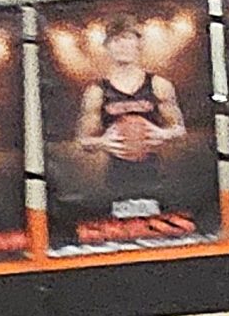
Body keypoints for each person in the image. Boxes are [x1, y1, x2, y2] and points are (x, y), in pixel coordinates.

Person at [74, 17, 186, 206]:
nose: (123, 46)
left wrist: (163, 134)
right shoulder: (97, 91)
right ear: (107, 47)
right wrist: (102, 142)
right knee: (123, 229)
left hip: (152, 173)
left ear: (138, 43)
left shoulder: (158, 85)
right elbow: (83, 140)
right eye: (116, 40)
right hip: (118, 176)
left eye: (128, 39)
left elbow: (180, 130)